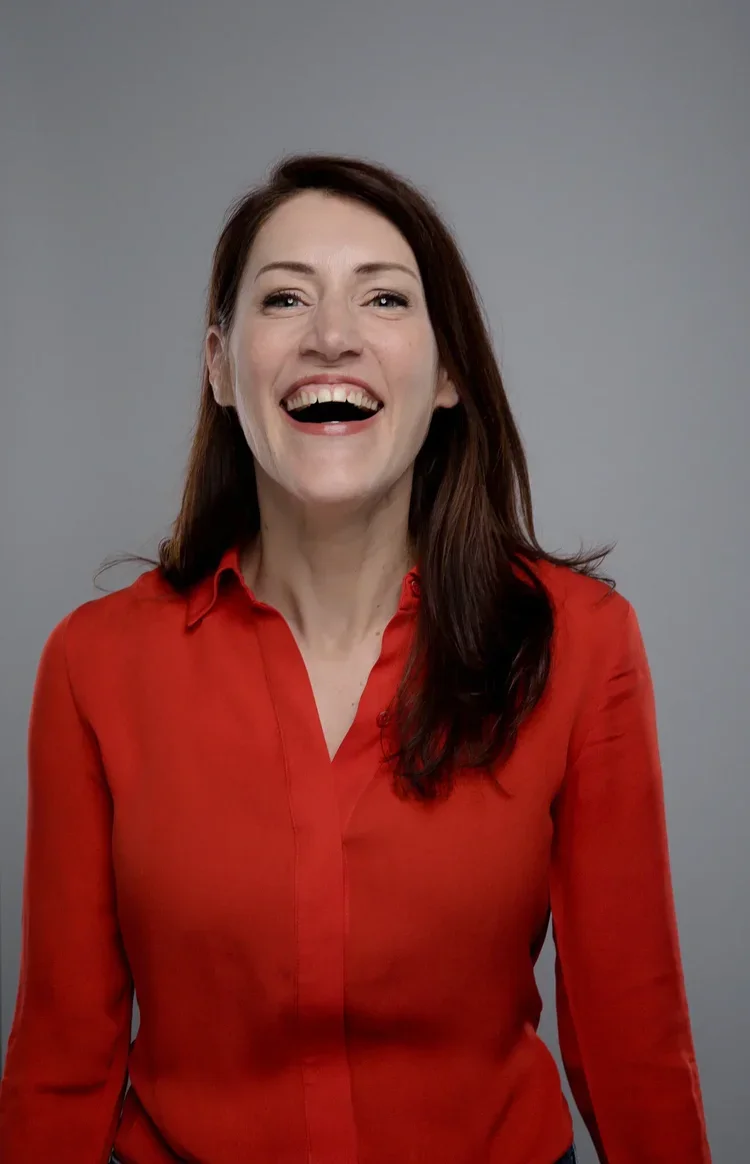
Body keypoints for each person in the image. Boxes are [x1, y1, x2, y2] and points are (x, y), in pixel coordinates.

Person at [0, 153, 712, 1164]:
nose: (331, 336)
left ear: (450, 371)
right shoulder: (92, 664)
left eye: (384, 298)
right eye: (285, 297)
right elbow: (60, 1061)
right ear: (219, 362)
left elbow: (634, 1044)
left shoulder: (584, 643)